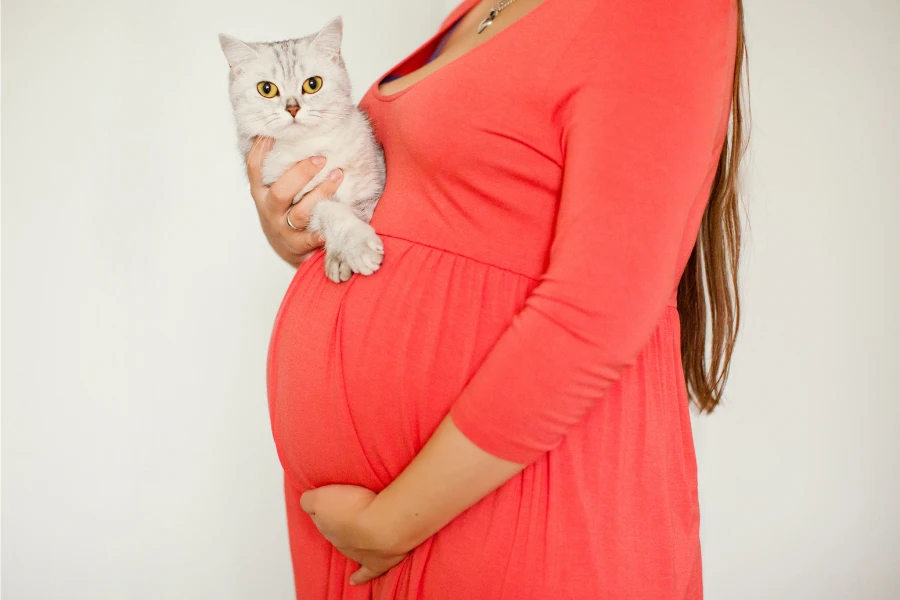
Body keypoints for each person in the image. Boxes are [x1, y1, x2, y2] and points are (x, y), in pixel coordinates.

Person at [246, 0, 747, 597]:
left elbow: (602, 308)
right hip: (374, 532)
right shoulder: (483, 6)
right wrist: (305, 225)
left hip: (500, 508)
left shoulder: (666, 11)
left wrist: (390, 524)